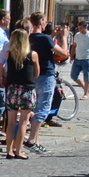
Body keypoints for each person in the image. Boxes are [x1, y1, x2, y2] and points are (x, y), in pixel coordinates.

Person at [1, 27, 39, 160]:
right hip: (27, 90)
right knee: (23, 122)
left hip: (12, 89)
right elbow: (36, 73)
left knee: (11, 122)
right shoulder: (33, 54)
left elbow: (6, 70)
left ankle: (9, 151)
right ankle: (19, 150)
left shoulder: (9, 54)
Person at [24, 12, 60, 152]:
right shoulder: (45, 38)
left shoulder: (28, 37)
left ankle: (36, 142)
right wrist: (63, 38)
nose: (46, 24)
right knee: (43, 108)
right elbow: (63, 53)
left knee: (34, 107)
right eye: (45, 21)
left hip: (31, 75)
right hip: (46, 74)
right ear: (40, 22)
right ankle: (31, 140)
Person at [70, 20, 89, 97]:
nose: (80, 30)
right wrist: (71, 56)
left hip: (87, 59)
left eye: (81, 28)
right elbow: (74, 46)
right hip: (77, 58)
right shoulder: (77, 35)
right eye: (79, 28)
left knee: (87, 77)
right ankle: (85, 88)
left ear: (86, 27)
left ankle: (86, 94)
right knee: (73, 76)